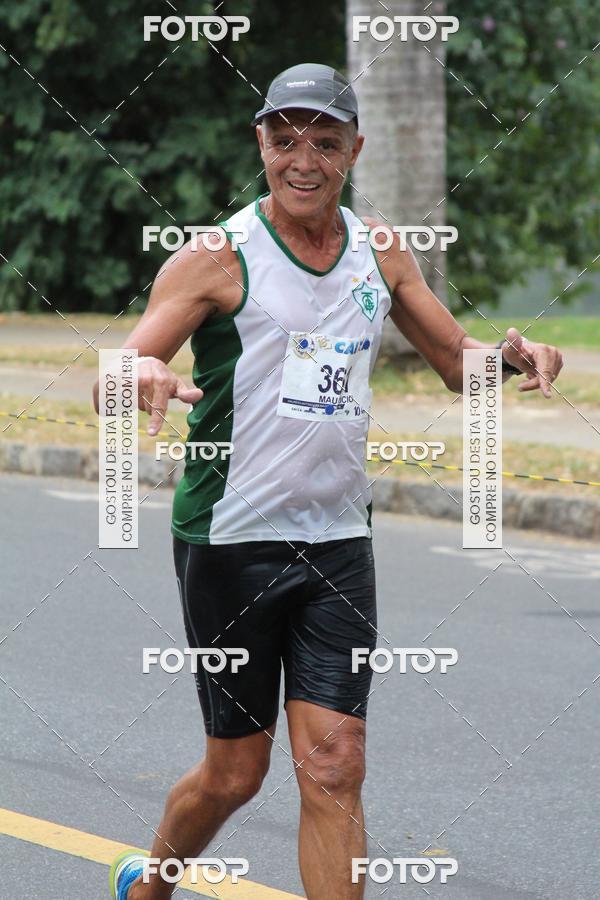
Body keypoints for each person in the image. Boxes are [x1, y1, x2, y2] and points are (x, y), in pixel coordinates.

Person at [96, 63, 564, 900]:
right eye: (283, 140)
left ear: (355, 147)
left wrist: (513, 358)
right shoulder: (217, 256)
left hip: (339, 541)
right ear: (261, 144)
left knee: (336, 765)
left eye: (323, 141)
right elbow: (121, 367)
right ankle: (153, 878)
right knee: (235, 777)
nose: (301, 160)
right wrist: (139, 379)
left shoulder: (381, 251)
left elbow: (459, 365)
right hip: (232, 538)